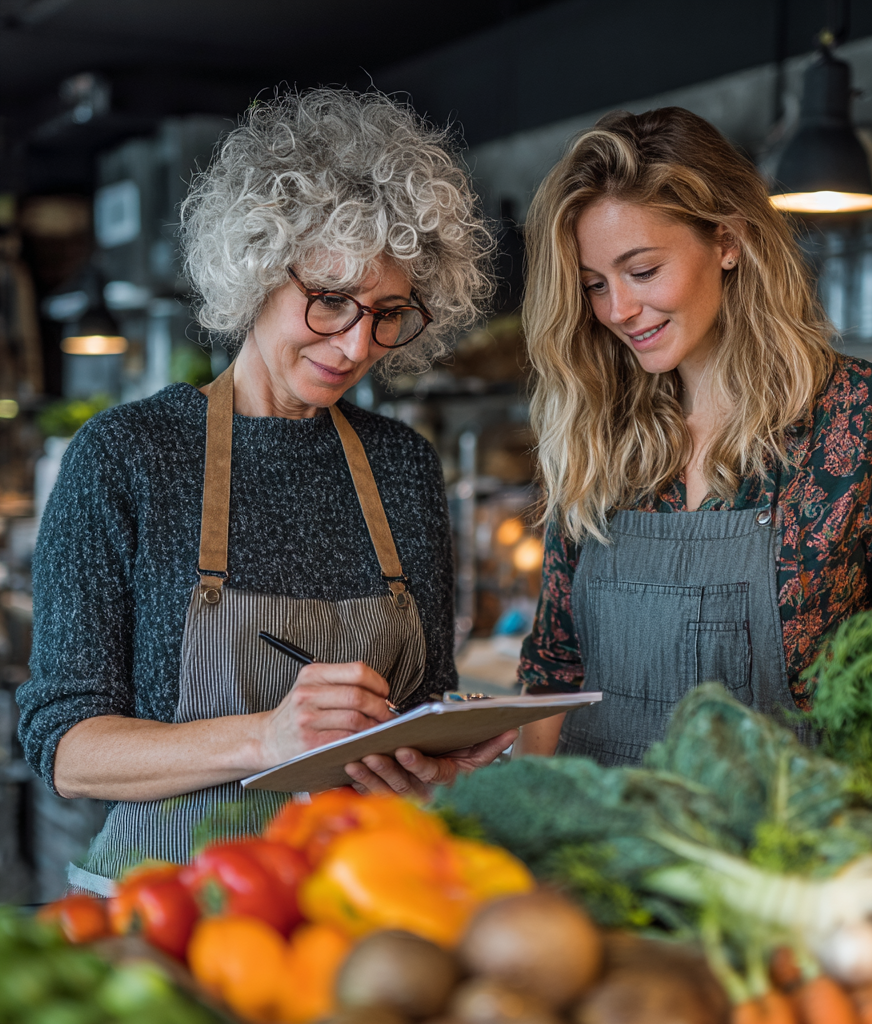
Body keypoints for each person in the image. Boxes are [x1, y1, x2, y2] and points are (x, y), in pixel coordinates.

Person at [17, 88, 516, 894]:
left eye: (388, 313)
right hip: (171, 910)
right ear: (255, 267)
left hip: (354, 906)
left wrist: (435, 756)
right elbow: (68, 750)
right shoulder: (126, 456)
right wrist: (265, 739)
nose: (356, 344)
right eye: (328, 300)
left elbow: (416, 704)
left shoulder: (403, 467)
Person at [513, 107, 872, 765]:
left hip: (789, 853)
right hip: (596, 849)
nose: (617, 310)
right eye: (594, 285)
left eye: (641, 271)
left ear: (727, 241)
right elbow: (555, 671)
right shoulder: (594, 431)